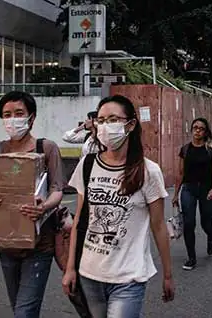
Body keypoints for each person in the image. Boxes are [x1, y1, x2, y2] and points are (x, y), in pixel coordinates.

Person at [62, 95, 174, 317]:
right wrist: (70, 268)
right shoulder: (87, 165)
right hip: (89, 272)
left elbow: (159, 226)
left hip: (128, 276)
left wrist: (168, 274)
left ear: (130, 125)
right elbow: (80, 221)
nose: (105, 127)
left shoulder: (148, 172)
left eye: (113, 119)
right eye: (101, 121)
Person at [0, 91, 64, 318]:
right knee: (19, 306)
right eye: (7, 115)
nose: (12, 119)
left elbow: (57, 189)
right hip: (7, 243)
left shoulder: (46, 148)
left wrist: (44, 206)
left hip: (39, 243)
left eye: (19, 113)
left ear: (31, 117)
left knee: (24, 311)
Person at [173, 118, 212, 270]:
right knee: (189, 223)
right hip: (189, 189)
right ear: (191, 130)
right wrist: (175, 194)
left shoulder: (211, 150)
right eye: (195, 128)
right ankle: (191, 257)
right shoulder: (185, 149)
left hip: (206, 190)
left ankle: (210, 236)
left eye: (201, 128)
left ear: (205, 132)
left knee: (206, 223)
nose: (197, 131)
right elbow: (180, 173)